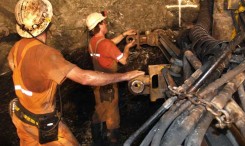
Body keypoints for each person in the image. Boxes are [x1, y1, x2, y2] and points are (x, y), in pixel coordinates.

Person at [7, 0, 144, 146]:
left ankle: (98, 139)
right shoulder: (46, 55)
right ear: (48, 22)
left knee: (100, 111)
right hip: (42, 124)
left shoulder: (18, 46)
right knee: (109, 116)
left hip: (21, 117)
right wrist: (126, 76)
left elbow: (12, 64)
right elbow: (84, 77)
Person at [85, 12, 137, 145]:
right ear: (100, 25)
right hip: (109, 86)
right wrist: (127, 47)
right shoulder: (107, 45)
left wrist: (124, 34)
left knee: (100, 110)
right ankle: (113, 141)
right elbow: (123, 60)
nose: (106, 24)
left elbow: (109, 44)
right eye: (104, 22)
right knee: (112, 116)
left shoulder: (92, 42)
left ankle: (97, 140)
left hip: (97, 83)